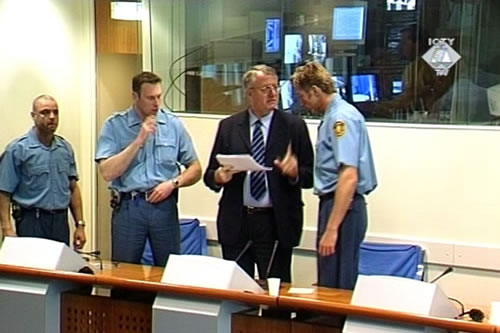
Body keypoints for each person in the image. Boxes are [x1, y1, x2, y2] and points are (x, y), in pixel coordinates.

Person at [204, 64, 314, 283]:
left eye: (275, 87)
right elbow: (210, 174)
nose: (273, 94)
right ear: (250, 93)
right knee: (236, 289)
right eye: (265, 89)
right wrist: (218, 177)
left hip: (276, 223)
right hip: (237, 221)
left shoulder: (293, 126)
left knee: (276, 292)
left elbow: (311, 175)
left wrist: (294, 173)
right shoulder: (229, 126)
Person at [95, 71, 201, 266]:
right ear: (135, 96)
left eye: (159, 96)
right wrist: (139, 140)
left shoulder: (173, 124)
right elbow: (108, 172)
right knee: (125, 274)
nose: (157, 103)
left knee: (168, 272)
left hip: (164, 206)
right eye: (150, 98)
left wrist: (173, 183)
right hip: (129, 207)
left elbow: (195, 168)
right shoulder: (114, 125)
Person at [292, 62, 377, 289]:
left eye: (303, 96)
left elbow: (348, 175)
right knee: (329, 278)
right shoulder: (331, 116)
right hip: (334, 205)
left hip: (344, 208)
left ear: (315, 91)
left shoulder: (341, 119)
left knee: (339, 284)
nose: (302, 102)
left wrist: (332, 229)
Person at [0, 95, 86, 248]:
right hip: (31, 221)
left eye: (55, 112)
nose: (52, 117)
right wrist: (7, 229)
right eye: (45, 112)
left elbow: (73, 188)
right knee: (33, 269)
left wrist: (80, 225)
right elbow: (4, 193)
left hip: (60, 221)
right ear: (33, 116)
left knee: (59, 268)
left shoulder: (65, 149)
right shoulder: (18, 149)